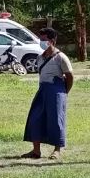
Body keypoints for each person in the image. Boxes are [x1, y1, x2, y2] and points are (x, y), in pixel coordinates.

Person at [22, 28, 74, 160]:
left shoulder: (61, 57)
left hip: (56, 91)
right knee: (35, 119)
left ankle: (57, 150)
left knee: (56, 120)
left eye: (44, 39)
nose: (41, 42)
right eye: (41, 39)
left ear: (52, 41)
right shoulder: (40, 57)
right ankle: (36, 151)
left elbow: (69, 76)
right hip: (42, 90)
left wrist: (64, 92)